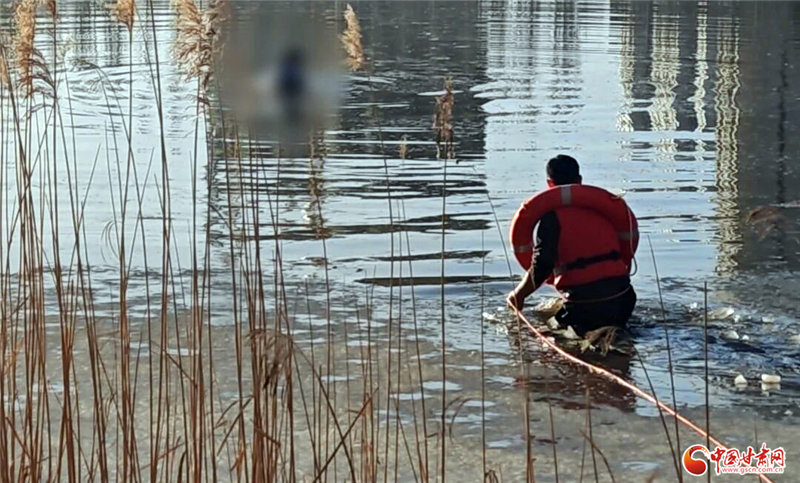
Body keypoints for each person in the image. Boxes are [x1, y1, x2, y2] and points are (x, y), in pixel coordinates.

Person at [506, 155, 636, 335]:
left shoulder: (551, 219)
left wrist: (518, 295)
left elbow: (543, 265)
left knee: (548, 331)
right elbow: (625, 249)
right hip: (624, 299)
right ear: (579, 180)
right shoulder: (604, 210)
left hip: (583, 305)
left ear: (550, 184)